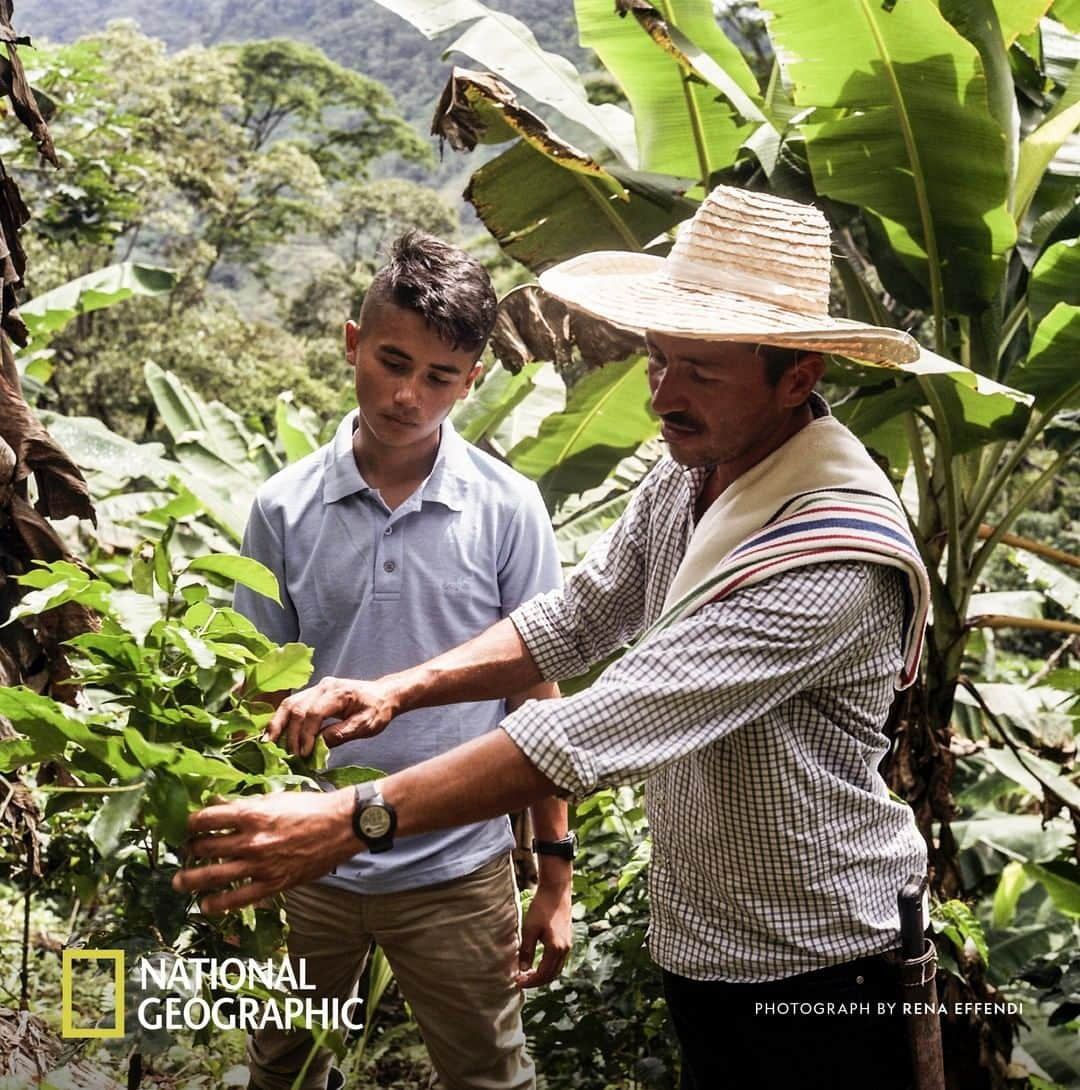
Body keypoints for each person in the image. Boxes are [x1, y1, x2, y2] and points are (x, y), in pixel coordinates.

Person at [176, 187, 932, 1090]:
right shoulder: (696, 475)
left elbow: (592, 729)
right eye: (659, 361)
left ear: (798, 377)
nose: (664, 395)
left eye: (702, 371)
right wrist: (395, 691)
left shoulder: (823, 556)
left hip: (819, 956)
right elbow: (575, 617)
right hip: (709, 941)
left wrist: (353, 819)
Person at [233, 230, 572, 1090]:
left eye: (440, 377)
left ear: (473, 380)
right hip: (309, 864)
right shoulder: (282, 509)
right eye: (392, 361)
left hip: (457, 869)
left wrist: (554, 876)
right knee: (281, 1072)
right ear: (353, 342)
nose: (409, 395)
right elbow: (254, 693)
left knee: (490, 1077)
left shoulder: (508, 508)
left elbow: (538, 694)